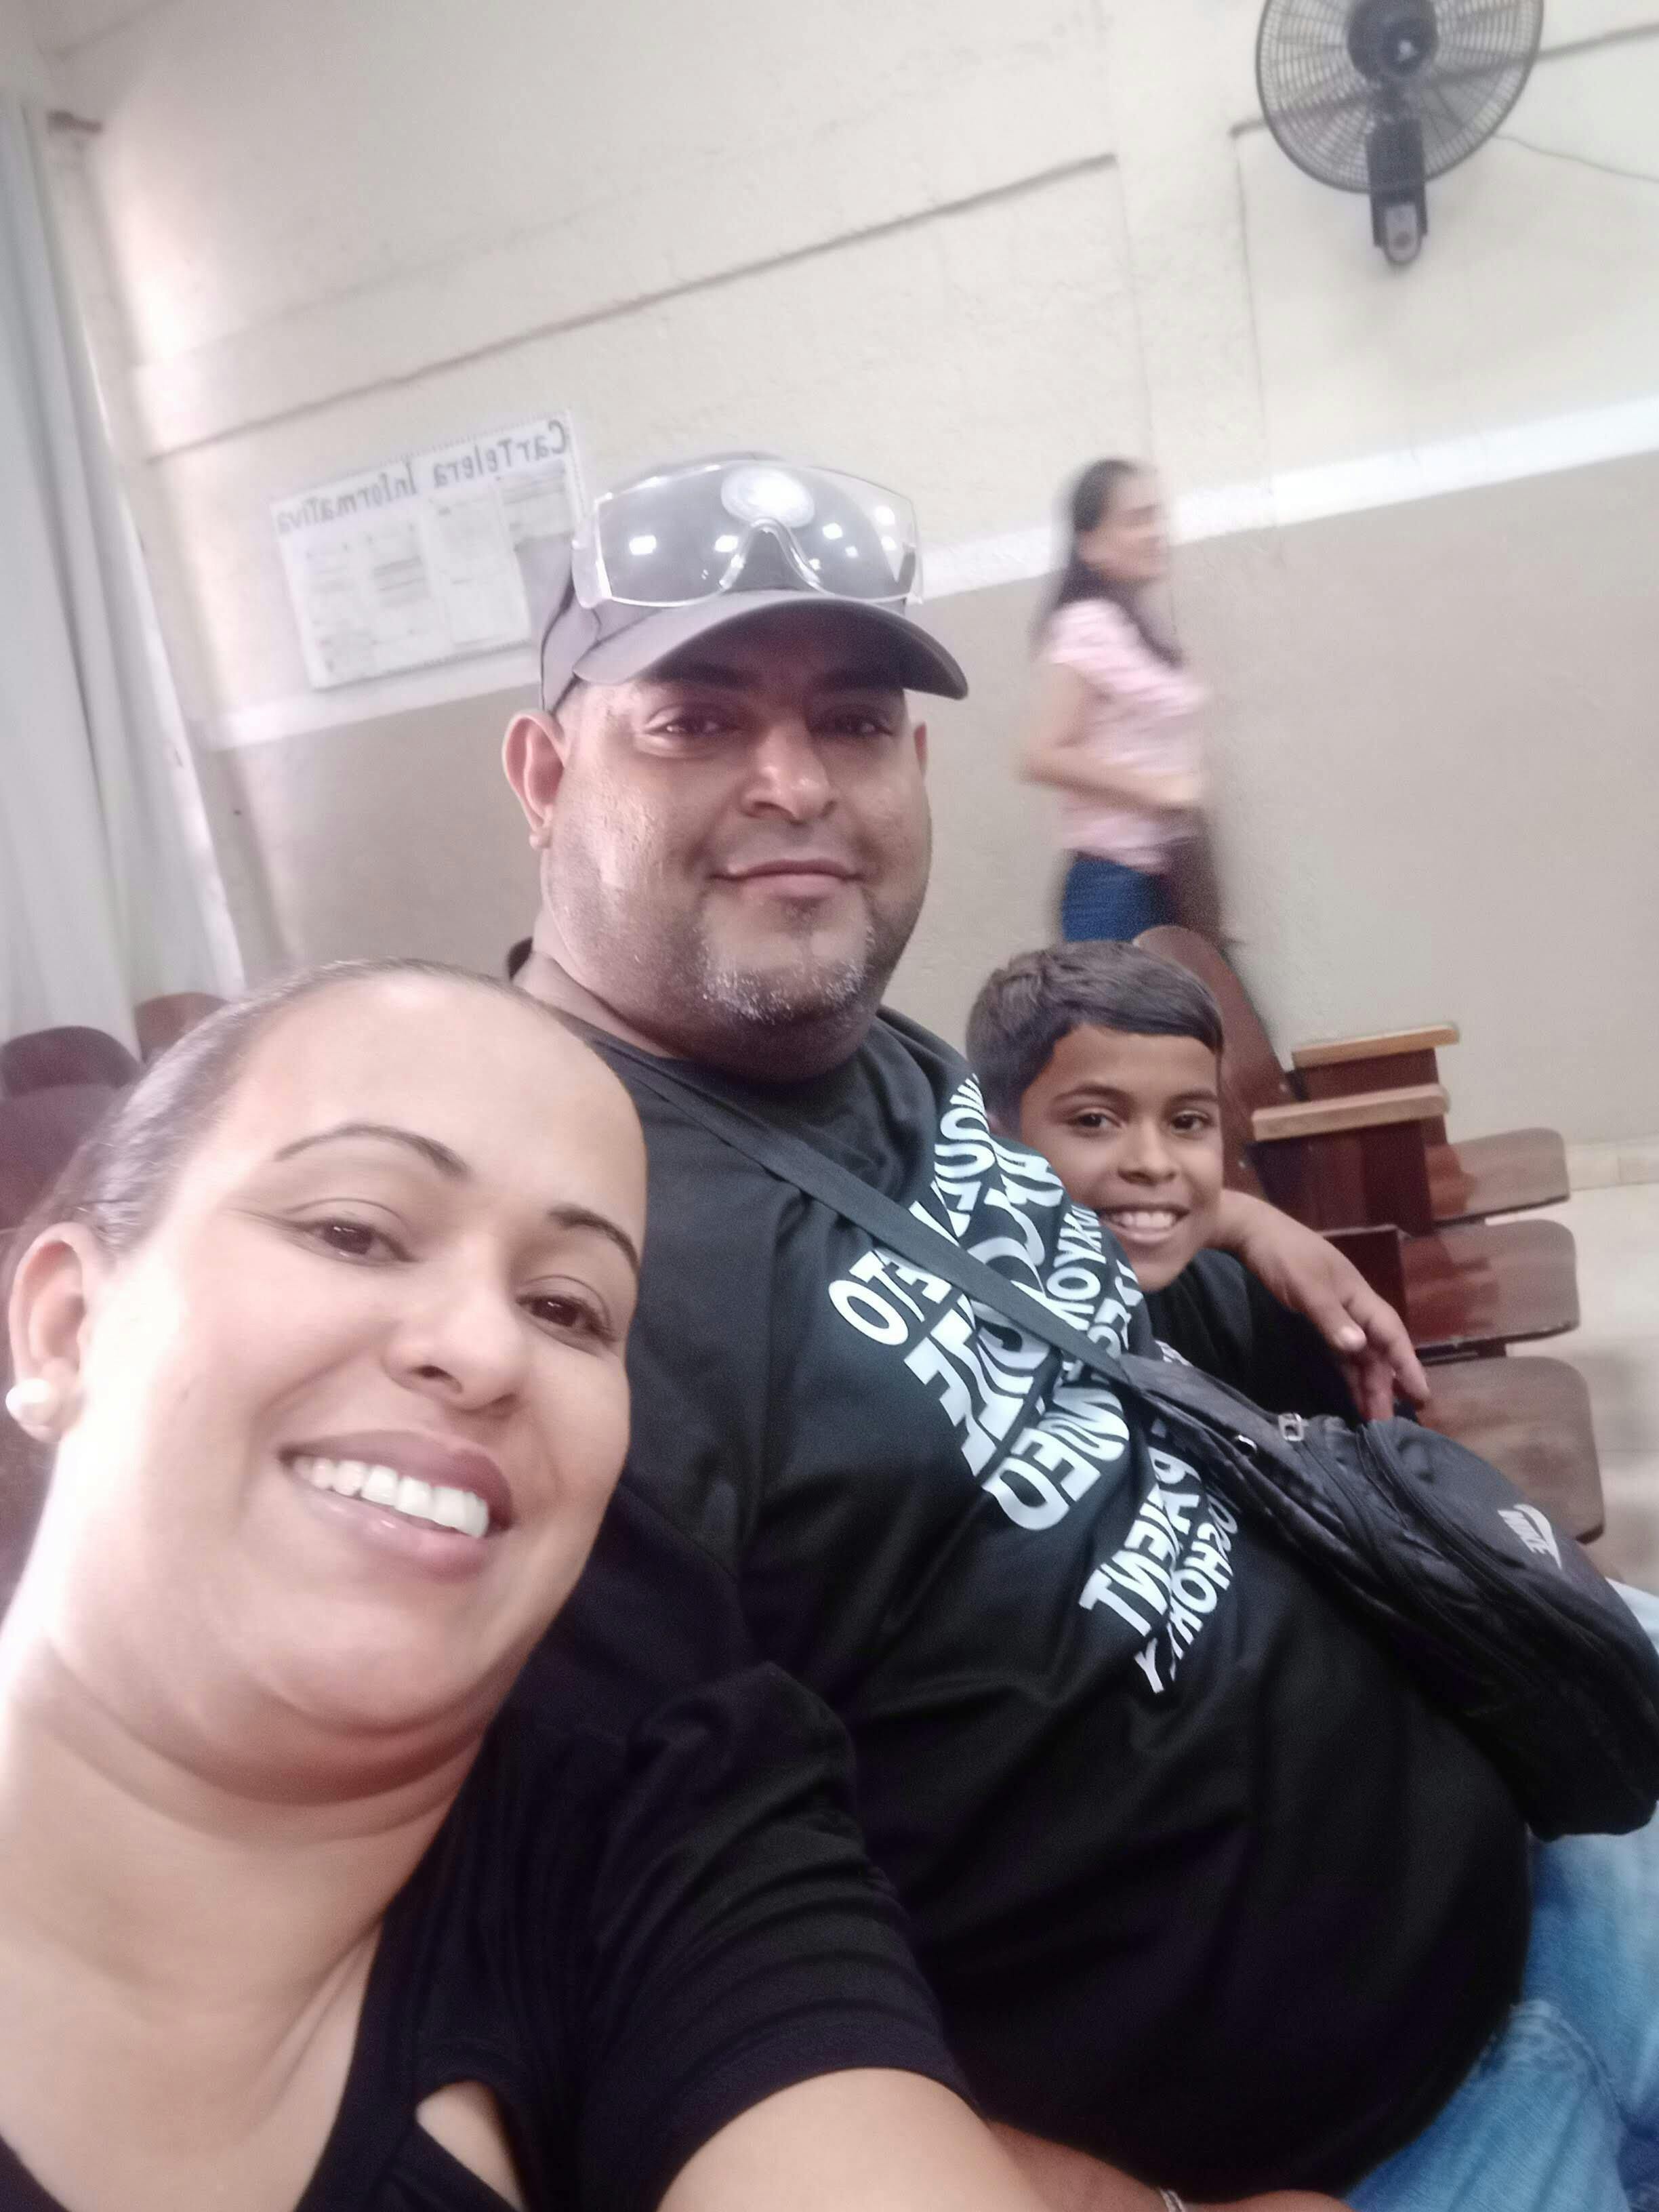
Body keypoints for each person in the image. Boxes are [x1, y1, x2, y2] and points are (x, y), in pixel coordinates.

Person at [489, 449, 1659, 2210]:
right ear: (544, 772)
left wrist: (1238, 1217)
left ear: (916, 766)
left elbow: (1041, 1288)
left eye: (854, 720)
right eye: (698, 720)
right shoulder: (550, 1255)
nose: (794, 781)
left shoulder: (868, 1059)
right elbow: (631, 1980)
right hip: (1396, 2144)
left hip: (1540, 1811)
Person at [0, 958, 1077, 2212]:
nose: (483, 1349)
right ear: (66, 1325)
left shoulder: (672, 1846)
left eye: (568, 1307)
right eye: (354, 1229)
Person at [964, 940, 1356, 1419]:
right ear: (996, 1145)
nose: (1153, 1163)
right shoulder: (963, 1343)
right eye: (1094, 1120)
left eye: (1187, 1122)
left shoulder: (1234, 1299)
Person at [1020, 459, 1219, 945]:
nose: (1156, 532)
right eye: (1136, 519)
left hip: (1165, 876)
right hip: (1114, 887)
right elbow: (1041, 755)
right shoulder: (1087, 626)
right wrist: (1158, 789)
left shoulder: (1131, 624)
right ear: (1089, 544)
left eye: (1157, 516)